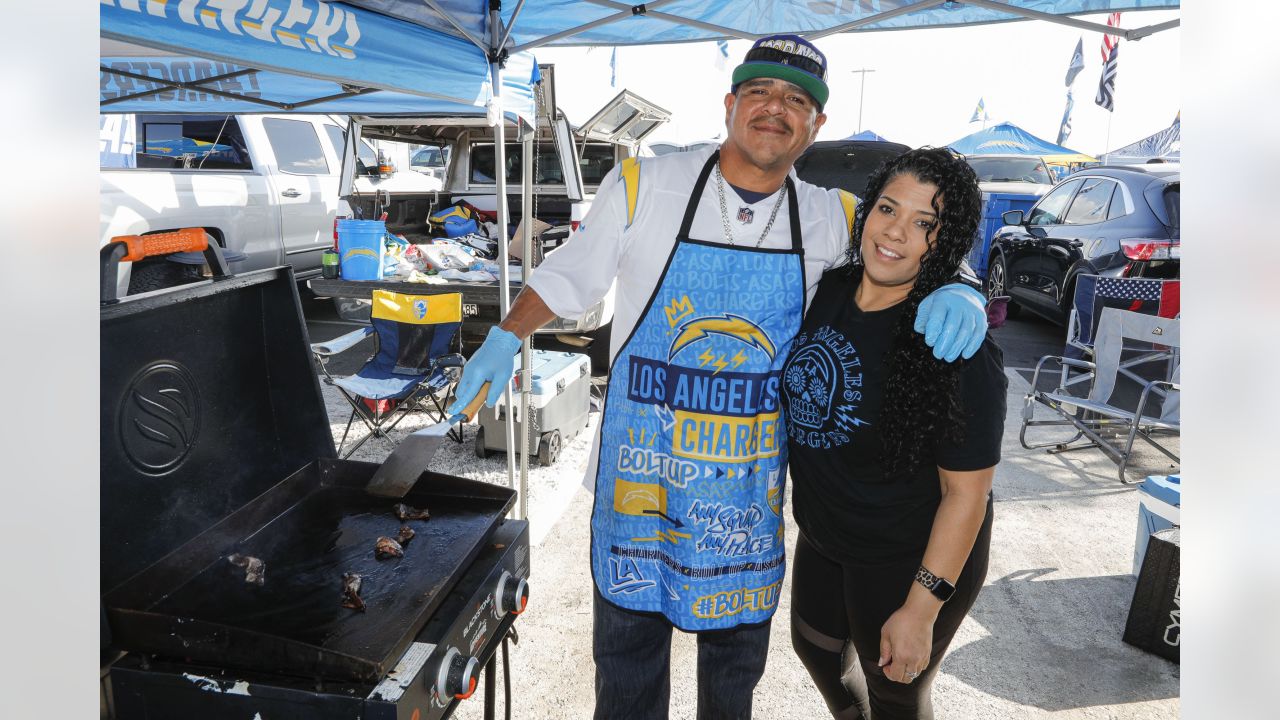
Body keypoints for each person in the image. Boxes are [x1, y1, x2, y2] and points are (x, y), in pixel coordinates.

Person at [448, 36, 990, 719]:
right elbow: (570, 273)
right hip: (640, 486)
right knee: (626, 674)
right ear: (731, 103)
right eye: (760, 92)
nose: (776, 109)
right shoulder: (648, 182)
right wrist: (505, 335)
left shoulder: (831, 216)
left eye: (798, 100)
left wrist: (964, 287)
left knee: (732, 685)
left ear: (815, 125)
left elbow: (906, 248)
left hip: (743, 496)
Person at [782, 147, 1006, 720]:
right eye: (888, 208)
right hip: (828, 532)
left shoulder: (953, 345)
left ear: (946, 242)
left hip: (907, 552)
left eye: (924, 224)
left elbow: (967, 495)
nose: (896, 232)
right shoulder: (826, 289)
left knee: (896, 693)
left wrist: (922, 608)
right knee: (816, 650)